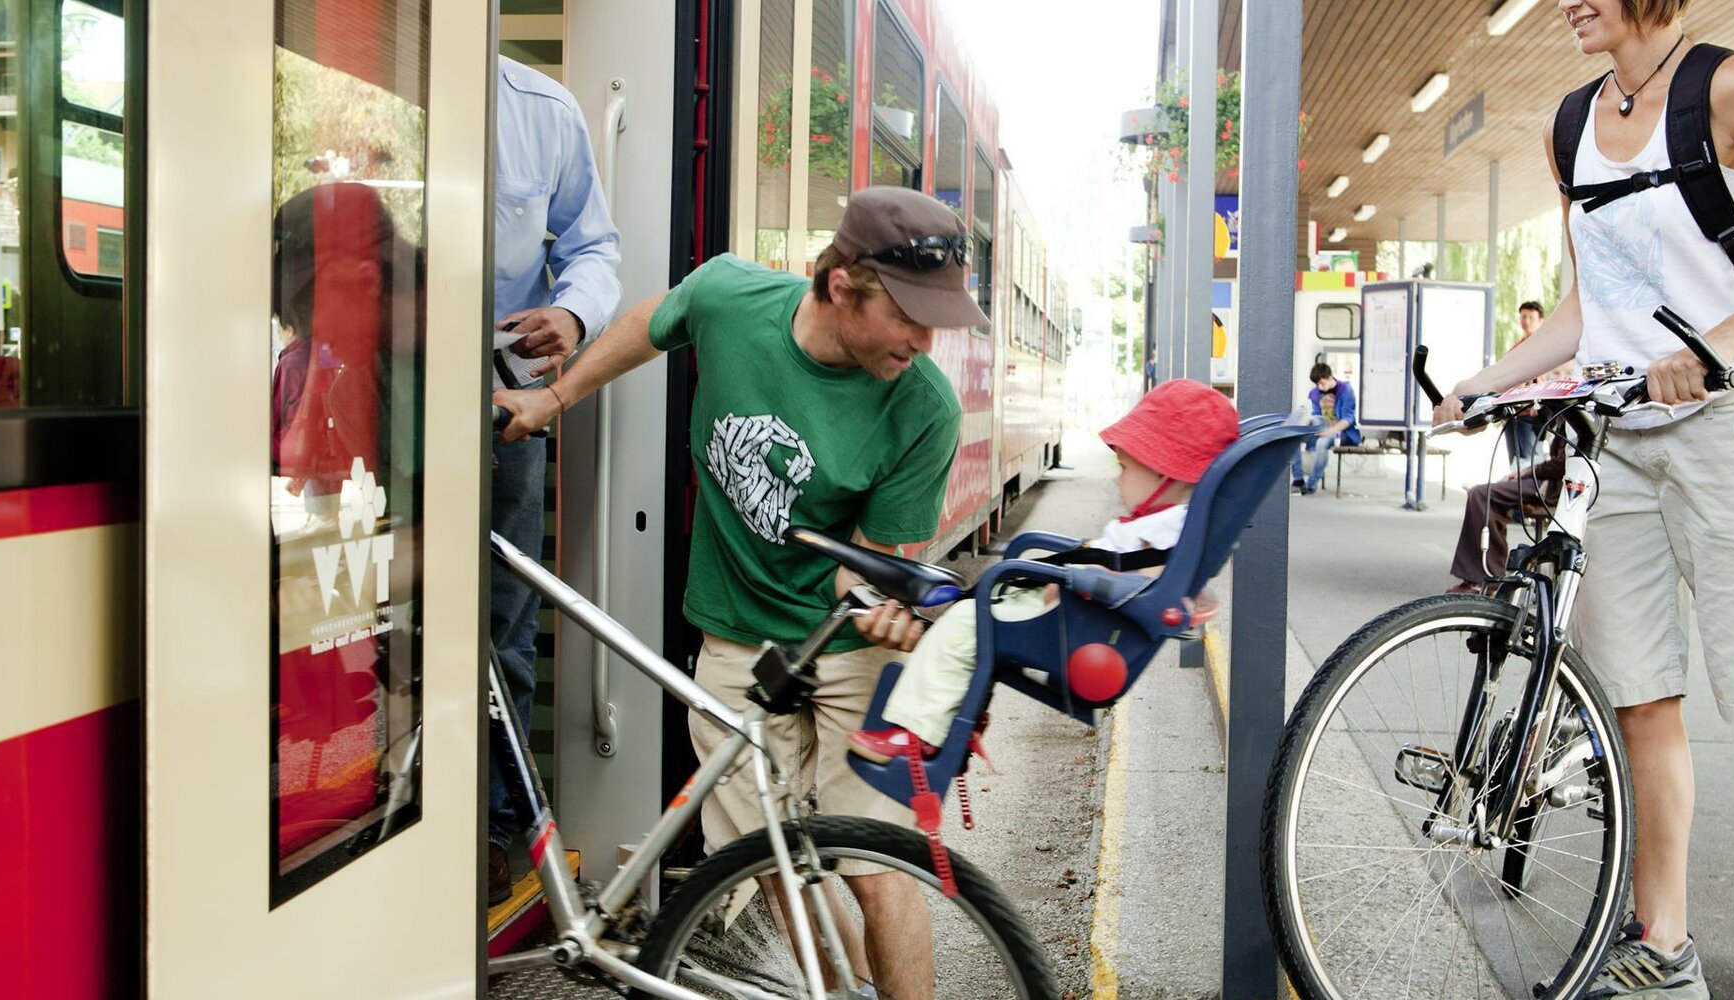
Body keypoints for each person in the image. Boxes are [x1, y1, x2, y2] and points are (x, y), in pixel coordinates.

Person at [1434, 3, 1734, 997]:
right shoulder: (1568, 126)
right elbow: (1594, 303)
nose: (1565, 4)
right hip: (1619, 439)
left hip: (1731, 429)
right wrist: (1490, 379)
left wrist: (1719, 342)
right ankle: (1662, 943)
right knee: (1638, 694)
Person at [494, 186, 985, 996]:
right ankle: (839, 993)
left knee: (872, 861)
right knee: (770, 863)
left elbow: (861, 567)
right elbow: (652, 322)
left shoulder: (922, 408)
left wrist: (888, 610)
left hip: (845, 647)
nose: (925, 342)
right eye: (908, 316)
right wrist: (553, 398)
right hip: (733, 637)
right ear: (840, 285)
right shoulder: (730, 297)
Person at [846, 378, 1240, 761]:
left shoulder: (1162, 529)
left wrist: (1071, 584)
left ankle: (916, 731)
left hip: (1079, 619)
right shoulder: (1174, 523)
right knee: (976, 611)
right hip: (1078, 608)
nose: (1117, 478)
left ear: (1164, 473)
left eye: (1124, 467)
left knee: (965, 622)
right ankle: (947, 716)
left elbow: (1140, 582)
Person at [486, 55, 623, 905]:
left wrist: (571, 312)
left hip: (495, 393)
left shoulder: (543, 106)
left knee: (502, 617)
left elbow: (595, 248)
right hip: (359, 378)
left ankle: (495, 833)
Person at [1445, 435, 1566, 594]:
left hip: (1553, 487)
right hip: (1549, 482)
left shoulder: (1572, 417)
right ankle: (1486, 578)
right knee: (1485, 499)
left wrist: (1529, 471)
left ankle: (1484, 579)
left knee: (1481, 495)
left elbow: (1562, 464)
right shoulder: (1559, 417)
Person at [1291, 362, 1358, 495]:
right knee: (1293, 437)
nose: (1319, 387)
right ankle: (1298, 480)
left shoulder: (1345, 391)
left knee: (1322, 443)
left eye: (1322, 383)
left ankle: (1311, 484)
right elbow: (1316, 415)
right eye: (1317, 384)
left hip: (1341, 432)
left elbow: (1347, 419)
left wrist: (1330, 431)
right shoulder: (1315, 393)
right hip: (1321, 428)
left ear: (1329, 377)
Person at [1504, 301, 1548, 466]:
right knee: (1516, 460)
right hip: (1514, 410)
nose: (1526, 321)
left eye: (1531, 317)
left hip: (1532, 412)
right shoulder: (1518, 346)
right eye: (1523, 317)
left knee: (1530, 460)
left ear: (1541, 320)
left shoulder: (1548, 346)